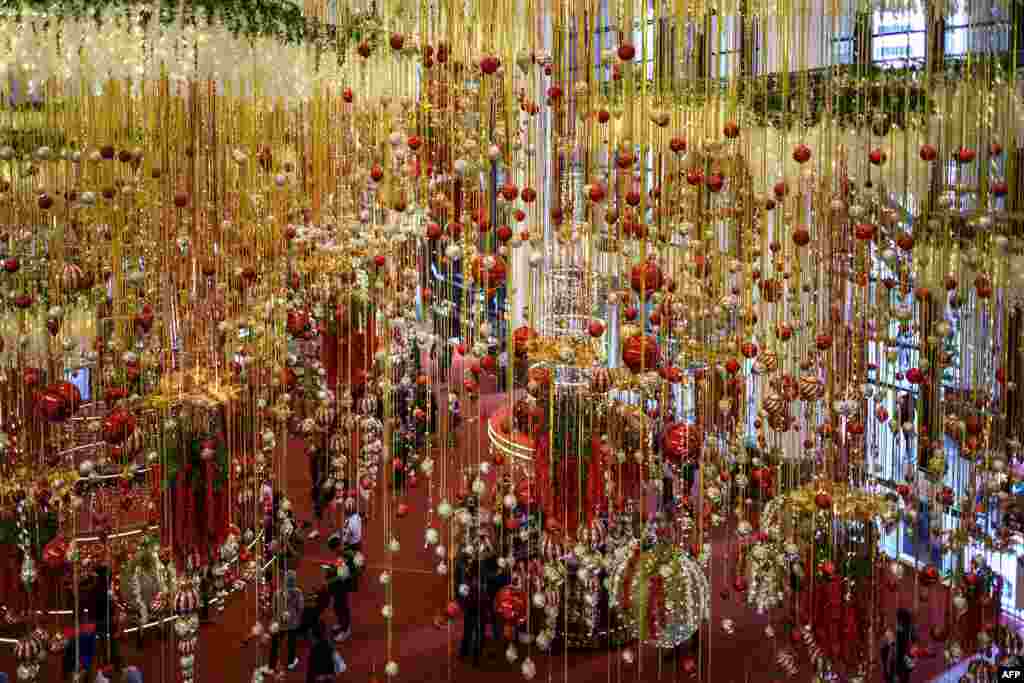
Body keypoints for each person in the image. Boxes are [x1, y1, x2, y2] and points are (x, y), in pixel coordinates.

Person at [269, 571, 304, 671]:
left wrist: (277, 617)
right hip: (292, 623)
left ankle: (272, 663)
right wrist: (295, 616)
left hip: (280, 621)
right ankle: (291, 661)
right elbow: (300, 608)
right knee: (291, 643)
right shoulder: (298, 592)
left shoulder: (277, 592)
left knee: (275, 643)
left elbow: (273, 607)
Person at [455, 552, 484, 663]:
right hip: (478, 609)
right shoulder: (480, 581)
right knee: (477, 633)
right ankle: (475, 657)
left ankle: (464, 654)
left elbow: (463, 594)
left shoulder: (468, 580)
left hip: (471, 609)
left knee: (468, 631)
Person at [92, 565, 120, 671]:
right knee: (111, 643)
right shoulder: (108, 590)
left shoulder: (96, 588)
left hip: (101, 620)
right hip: (107, 620)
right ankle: (113, 662)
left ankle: (108, 662)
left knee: (105, 643)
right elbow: (114, 605)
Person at [882, 608, 917, 683]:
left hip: (901, 661)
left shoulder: (909, 631)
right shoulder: (894, 631)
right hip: (898, 661)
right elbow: (886, 648)